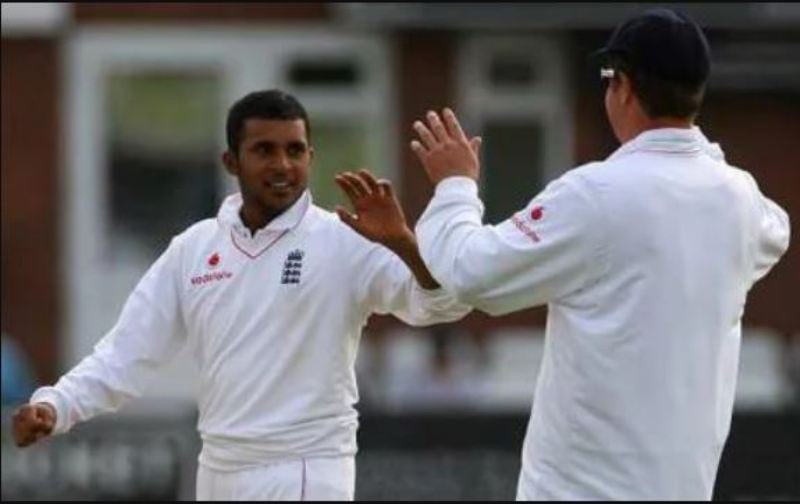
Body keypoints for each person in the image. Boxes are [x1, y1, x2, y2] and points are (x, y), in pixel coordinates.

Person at [11, 89, 471, 500]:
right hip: (220, 468)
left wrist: (405, 245)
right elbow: (127, 351)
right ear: (231, 162)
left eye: (295, 151)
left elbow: (440, 303)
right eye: (264, 151)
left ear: (311, 156)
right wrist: (58, 404)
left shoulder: (343, 239)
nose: (283, 166)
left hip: (307, 468)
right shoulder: (195, 249)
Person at [409, 8, 791, 501]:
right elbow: (775, 228)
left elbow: (471, 273)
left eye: (608, 77)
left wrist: (455, 185)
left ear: (625, 87)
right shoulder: (739, 200)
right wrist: (698, 154)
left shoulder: (594, 194)